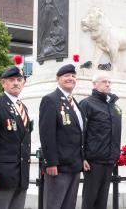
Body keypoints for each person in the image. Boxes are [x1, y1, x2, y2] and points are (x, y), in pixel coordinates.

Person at [0, 63, 31, 209]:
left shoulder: (23, 107)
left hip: (21, 174)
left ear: (23, 82)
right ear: (3, 83)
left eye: (19, 79)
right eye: (11, 80)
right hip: (2, 176)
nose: (16, 83)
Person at [39, 63, 86, 209]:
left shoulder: (74, 103)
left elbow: (79, 133)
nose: (71, 78)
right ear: (58, 78)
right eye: (67, 76)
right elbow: (47, 134)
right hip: (59, 166)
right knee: (54, 204)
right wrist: (51, 162)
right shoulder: (50, 99)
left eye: (73, 76)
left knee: (69, 205)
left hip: (74, 164)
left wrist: (82, 158)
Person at [79, 72, 122, 209]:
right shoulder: (87, 104)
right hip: (93, 160)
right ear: (94, 84)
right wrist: (83, 156)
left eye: (109, 82)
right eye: (104, 81)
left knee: (102, 200)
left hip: (109, 159)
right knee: (90, 198)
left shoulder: (113, 106)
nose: (108, 84)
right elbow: (80, 132)